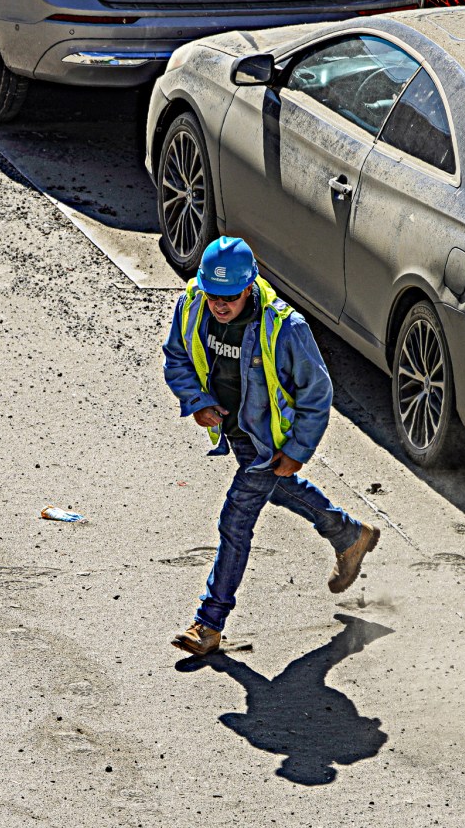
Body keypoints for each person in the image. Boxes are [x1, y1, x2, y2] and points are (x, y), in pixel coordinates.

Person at [163, 236, 380, 656]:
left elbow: (317, 393)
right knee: (275, 488)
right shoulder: (192, 305)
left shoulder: (285, 328)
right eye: (213, 295)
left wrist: (297, 450)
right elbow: (176, 357)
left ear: (249, 286)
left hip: (269, 439)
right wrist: (198, 401)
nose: (219, 306)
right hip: (239, 431)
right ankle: (349, 533)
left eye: (229, 297)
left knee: (235, 521)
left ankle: (209, 623)